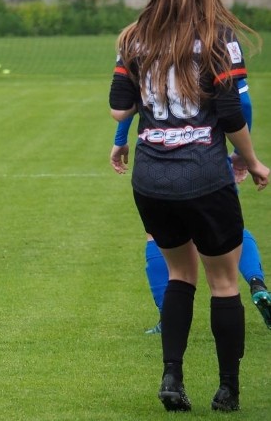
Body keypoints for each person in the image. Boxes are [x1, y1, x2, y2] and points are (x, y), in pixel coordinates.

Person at [108, 0, 269, 413]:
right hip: (203, 175)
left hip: (151, 177)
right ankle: (227, 389)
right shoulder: (218, 36)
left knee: (180, 275)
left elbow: (121, 106)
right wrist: (252, 161)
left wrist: (127, 129)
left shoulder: (133, 36)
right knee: (223, 282)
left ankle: (173, 378)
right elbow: (231, 110)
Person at [112, 105, 271, 334]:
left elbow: (126, 103)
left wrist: (120, 138)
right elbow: (241, 103)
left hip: (158, 161)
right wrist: (242, 153)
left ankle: (168, 316)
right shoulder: (217, 66)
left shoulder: (146, 66)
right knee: (230, 230)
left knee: (157, 236)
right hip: (208, 159)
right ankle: (257, 283)